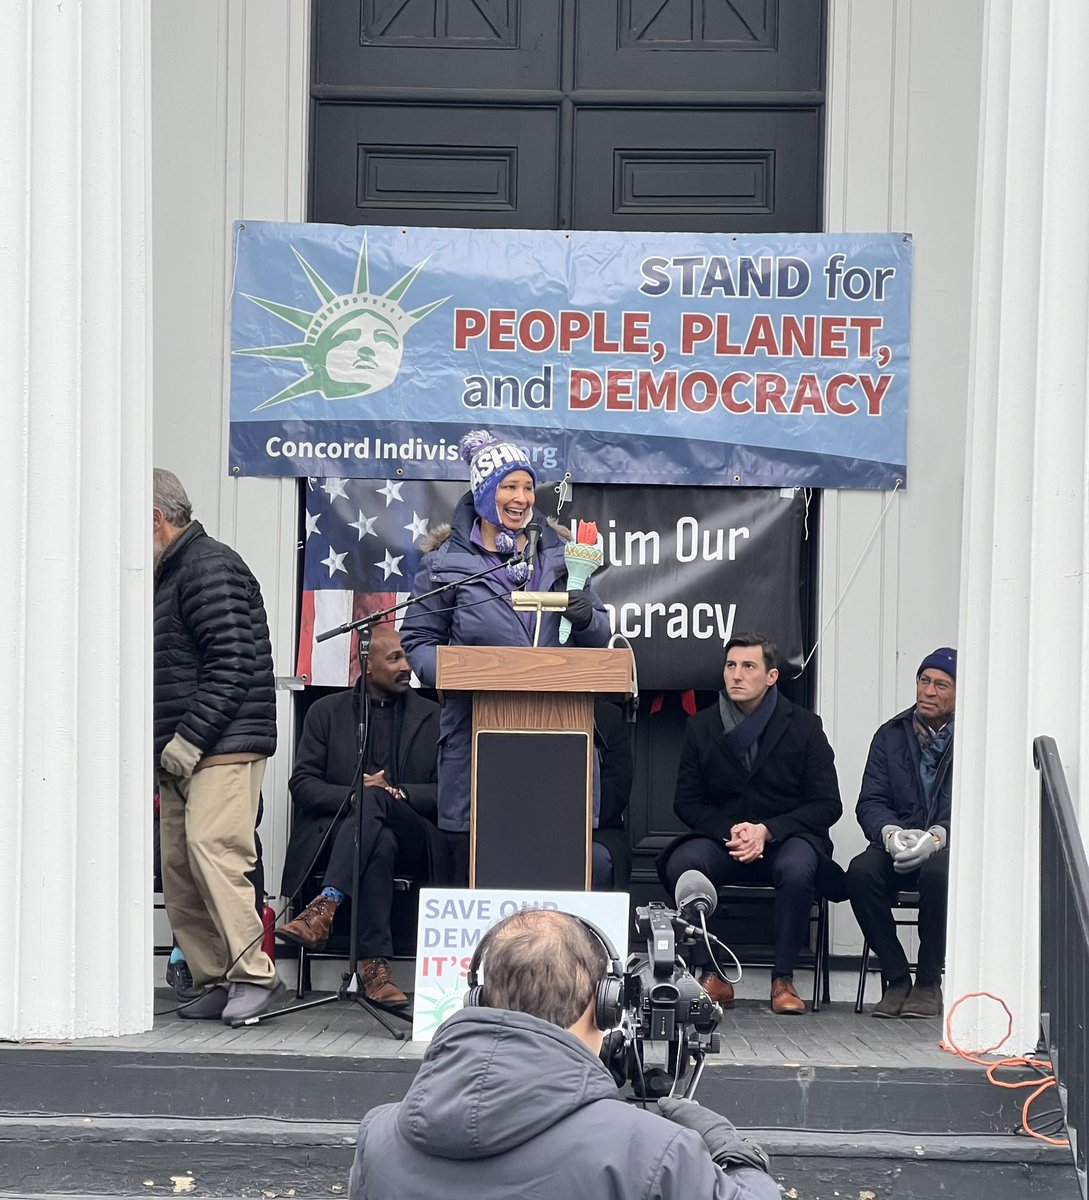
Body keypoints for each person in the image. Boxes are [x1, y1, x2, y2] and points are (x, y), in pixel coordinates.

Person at [348, 909, 779, 1200]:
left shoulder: (379, 1138)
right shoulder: (653, 1151)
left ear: (477, 999)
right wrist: (731, 1152)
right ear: (605, 1003)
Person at [399, 430, 612, 876]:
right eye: (508, 487)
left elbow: (600, 642)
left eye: (528, 487)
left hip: (557, 753)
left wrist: (588, 617)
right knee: (480, 869)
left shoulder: (563, 559)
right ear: (483, 493)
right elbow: (418, 642)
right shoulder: (444, 565)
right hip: (477, 749)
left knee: (557, 871)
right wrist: (462, 673)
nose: (521, 498)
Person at [152, 468, 284, 1025]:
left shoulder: (207, 565)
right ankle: (214, 976)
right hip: (190, 746)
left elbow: (233, 664)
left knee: (214, 851)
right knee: (181, 866)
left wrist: (187, 741)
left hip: (220, 745)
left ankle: (253, 975)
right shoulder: (178, 570)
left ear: (154, 518)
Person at [658, 633, 844, 1015]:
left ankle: (783, 980)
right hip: (726, 839)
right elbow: (686, 802)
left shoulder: (805, 726)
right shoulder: (702, 725)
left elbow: (828, 804)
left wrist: (767, 830)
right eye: (730, 665)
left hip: (784, 839)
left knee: (797, 867)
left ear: (771, 676)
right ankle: (714, 975)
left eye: (748, 667)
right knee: (684, 864)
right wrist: (733, 832)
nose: (736, 675)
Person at [276, 623, 446, 1006]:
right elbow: (302, 784)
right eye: (395, 658)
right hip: (345, 835)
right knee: (377, 837)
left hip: (414, 836)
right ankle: (374, 970)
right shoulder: (326, 713)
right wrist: (356, 797)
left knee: (379, 804)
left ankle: (325, 905)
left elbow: (447, 793)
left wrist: (394, 793)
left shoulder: (433, 716)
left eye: (407, 657)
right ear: (367, 665)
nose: (407, 666)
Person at [846, 647, 956, 1019]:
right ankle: (896, 978)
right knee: (860, 873)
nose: (929, 691)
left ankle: (928, 981)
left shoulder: (976, 739)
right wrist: (890, 833)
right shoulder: (890, 735)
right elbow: (870, 801)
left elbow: (982, 804)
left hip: (945, 846)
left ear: (959, 693)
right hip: (899, 842)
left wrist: (940, 836)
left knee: (940, 874)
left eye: (941, 685)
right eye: (924, 681)